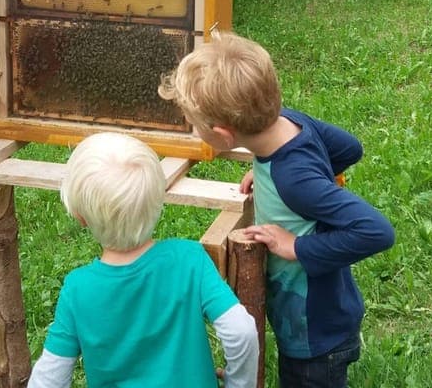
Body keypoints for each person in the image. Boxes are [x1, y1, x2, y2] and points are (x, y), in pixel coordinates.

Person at [158, 31, 395, 388]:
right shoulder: (288, 123)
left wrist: (296, 245)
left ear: (224, 135)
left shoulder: (294, 177)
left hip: (315, 334)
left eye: (196, 125)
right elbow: (350, 148)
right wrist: (266, 173)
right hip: (312, 319)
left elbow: (377, 231)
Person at [28, 132, 259, 388]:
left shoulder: (78, 289)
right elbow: (242, 331)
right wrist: (239, 384)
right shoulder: (188, 259)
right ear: (159, 201)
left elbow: (47, 380)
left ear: (80, 216)